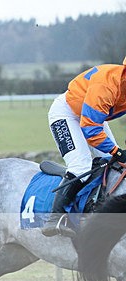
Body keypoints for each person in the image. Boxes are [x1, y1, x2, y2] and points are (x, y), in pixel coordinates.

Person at [43, 60, 126, 237]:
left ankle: (95, 205)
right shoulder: (107, 86)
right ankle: (55, 218)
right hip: (67, 113)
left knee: (111, 163)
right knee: (81, 165)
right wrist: (117, 152)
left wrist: (116, 154)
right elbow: (90, 129)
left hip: (93, 115)